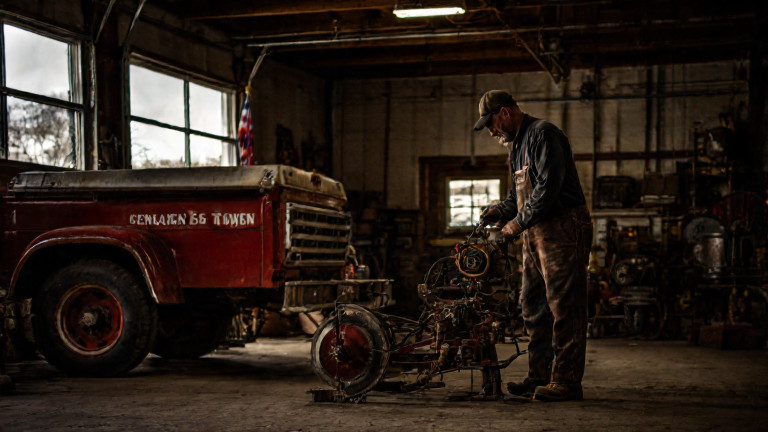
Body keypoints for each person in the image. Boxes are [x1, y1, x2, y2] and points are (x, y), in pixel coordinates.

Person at [473, 90, 593, 402]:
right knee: (534, 305)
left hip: (562, 229)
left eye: (491, 124)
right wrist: (499, 211)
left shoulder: (543, 135)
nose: (491, 131)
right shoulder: (516, 147)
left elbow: (548, 188)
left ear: (505, 113)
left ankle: (566, 381)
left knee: (564, 305)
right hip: (536, 233)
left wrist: (516, 223)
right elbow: (518, 196)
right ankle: (539, 375)